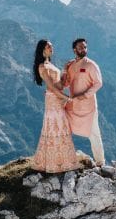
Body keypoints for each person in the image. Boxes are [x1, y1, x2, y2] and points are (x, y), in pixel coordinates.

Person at [30, 39, 80, 173]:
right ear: (43, 49)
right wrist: (67, 98)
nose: (51, 48)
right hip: (53, 99)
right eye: (48, 47)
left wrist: (66, 69)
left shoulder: (49, 64)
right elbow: (51, 87)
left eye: (51, 46)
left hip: (57, 97)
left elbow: (60, 85)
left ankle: (61, 161)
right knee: (54, 127)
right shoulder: (42, 67)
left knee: (60, 126)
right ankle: (55, 163)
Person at [62, 37, 105, 166]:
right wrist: (64, 70)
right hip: (73, 105)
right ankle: (65, 157)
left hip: (88, 106)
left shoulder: (91, 65)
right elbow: (66, 83)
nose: (83, 49)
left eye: (85, 47)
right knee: (64, 128)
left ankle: (100, 162)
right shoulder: (71, 65)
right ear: (74, 50)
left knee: (94, 134)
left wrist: (85, 95)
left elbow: (98, 83)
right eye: (80, 47)